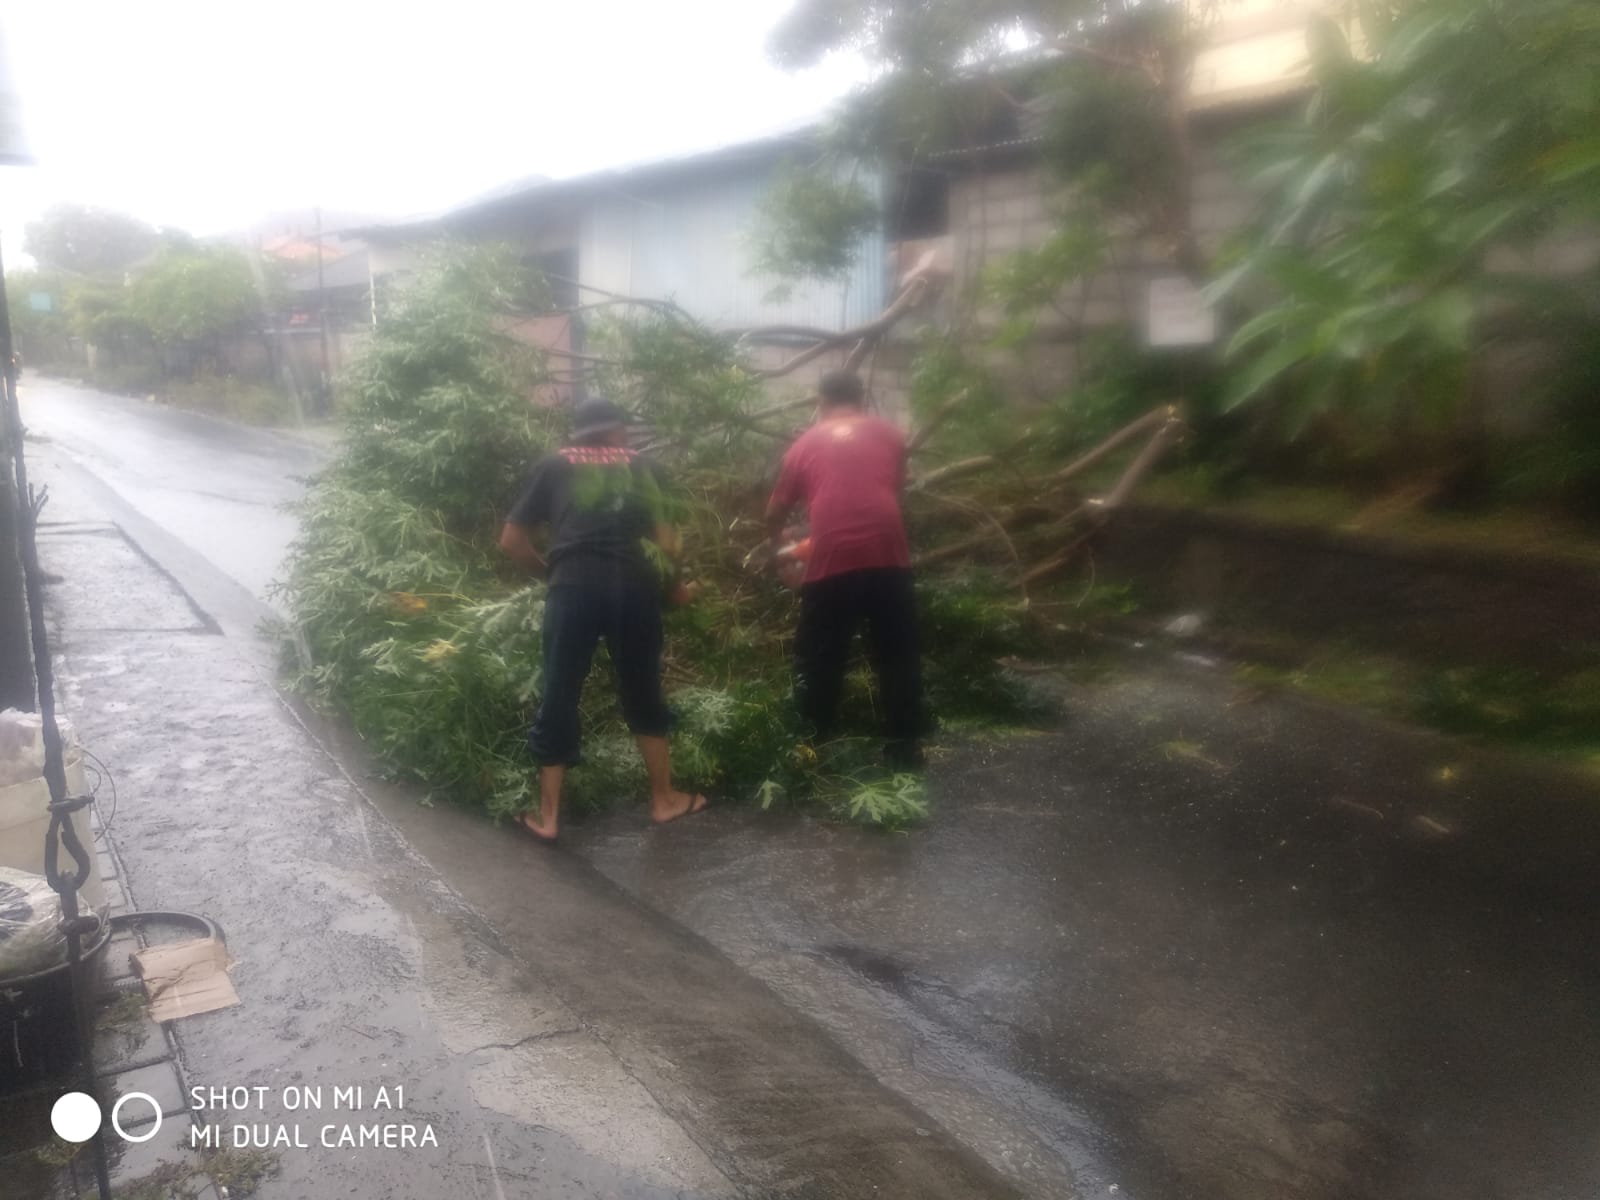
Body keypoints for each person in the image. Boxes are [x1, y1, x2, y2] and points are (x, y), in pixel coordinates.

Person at [499, 397, 707, 843]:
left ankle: (548, 818)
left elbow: (512, 540)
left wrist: (553, 572)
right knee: (643, 689)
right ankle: (664, 801)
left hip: (572, 590)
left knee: (559, 692)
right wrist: (676, 591)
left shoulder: (553, 464)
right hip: (634, 590)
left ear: (578, 434)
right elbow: (667, 545)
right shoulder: (647, 466)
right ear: (619, 431)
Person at [765, 370, 926, 770]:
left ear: (820, 401)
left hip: (831, 558)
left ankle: (810, 746)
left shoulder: (803, 445)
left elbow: (775, 511)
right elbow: (893, 490)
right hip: (889, 556)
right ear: (862, 398)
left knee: (819, 655)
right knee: (897, 653)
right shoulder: (890, 434)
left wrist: (778, 545)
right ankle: (905, 748)